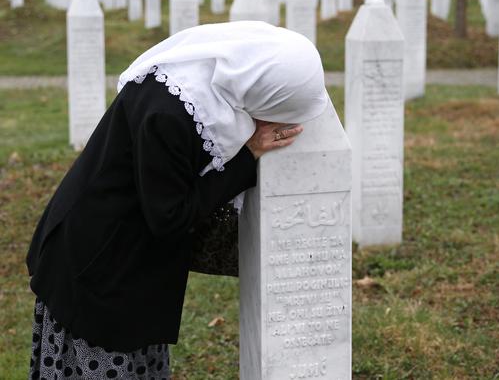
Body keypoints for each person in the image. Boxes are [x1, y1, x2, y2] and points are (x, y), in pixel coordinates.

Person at [25, 21, 328, 379]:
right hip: (99, 264)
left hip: (128, 258)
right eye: (275, 109)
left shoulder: (208, 89)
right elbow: (170, 217)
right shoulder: (168, 113)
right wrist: (247, 158)